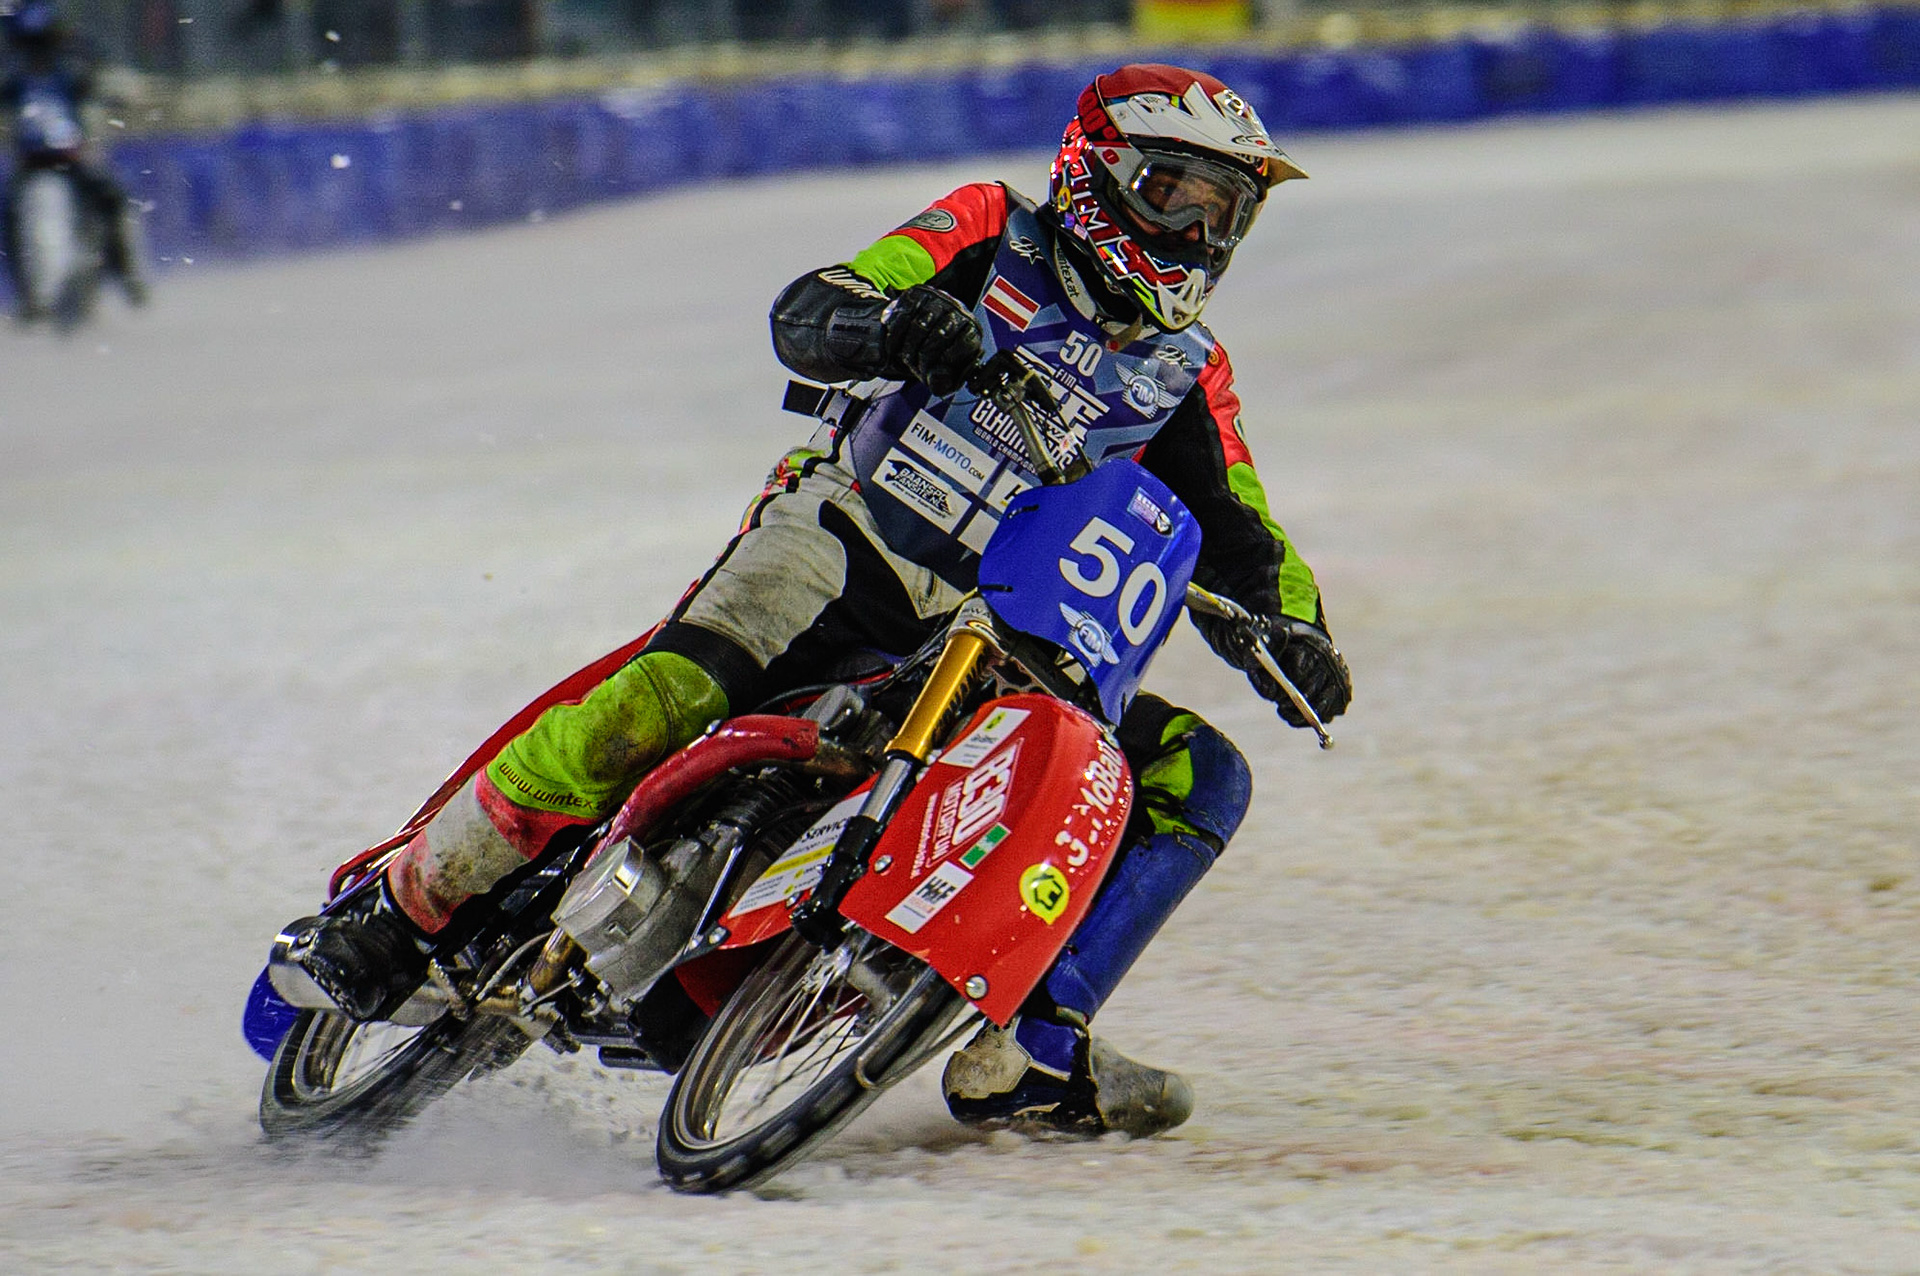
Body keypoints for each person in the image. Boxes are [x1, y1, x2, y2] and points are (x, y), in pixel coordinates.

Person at [283, 63, 1352, 1137]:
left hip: (997, 630)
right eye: (1176, 193)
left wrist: (1297, 627)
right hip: (848, 535)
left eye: (1224, 211)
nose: (1198, 231)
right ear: (1099, 174)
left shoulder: (1187, 371)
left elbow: (1242, 524)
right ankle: (406, 905)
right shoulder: (991, 230)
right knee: (676, 689)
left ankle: (1029, 1042)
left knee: (1193, 774)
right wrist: (898, 326)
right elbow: (816, 305)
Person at [1, 0, 147, 315]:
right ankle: (29, 295)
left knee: (112, 199)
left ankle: (126, 272)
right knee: (10, 214)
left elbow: (109, 83)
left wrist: (114, 92)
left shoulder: (74, 62)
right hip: (31, 160)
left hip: (74, 156)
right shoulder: (12, 71)